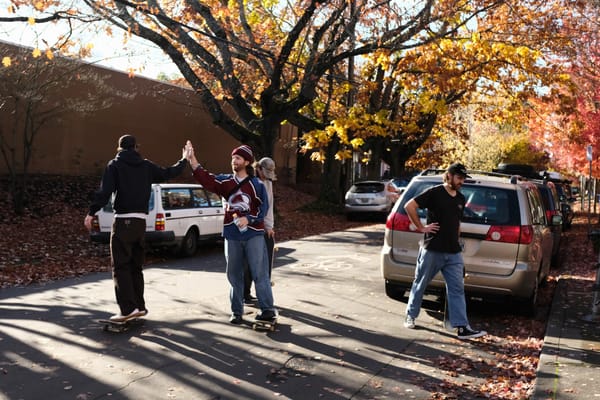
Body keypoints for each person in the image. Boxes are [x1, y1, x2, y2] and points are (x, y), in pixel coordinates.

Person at [83, 135, 189, 322]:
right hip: (141, 223)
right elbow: (167, 173)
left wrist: (92, 212)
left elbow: (105, 192)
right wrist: (184, 160)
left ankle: (127, 309)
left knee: (121, 266)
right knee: (135, 266)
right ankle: (139, 306)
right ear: (135, 147)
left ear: (119, 148)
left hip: (123, 221)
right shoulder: (146, 165)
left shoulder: (114, 165)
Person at [185, 141, 277, 324]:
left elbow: (263, 208)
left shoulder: (256, 185)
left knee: (259, 273)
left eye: (238, 158)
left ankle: (267, 310)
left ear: (247, 162)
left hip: (253, 235)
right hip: (232, 235)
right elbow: (207, 179)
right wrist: (193, 161)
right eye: (233, 158)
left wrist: (249, 218)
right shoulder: (226, 182)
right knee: (234, 274)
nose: (234, 161)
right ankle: (236, 312)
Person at [403, 163, 487, 340]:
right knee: (420, 283)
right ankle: (410, 315)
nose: (461, 181)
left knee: (457, 289)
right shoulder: (434, 193)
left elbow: (456, 223)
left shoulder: (461, 198)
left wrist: (457, 242)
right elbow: (410, 206)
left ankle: (462, 327)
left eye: (463, 179)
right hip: (432, 248)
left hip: (453, 252)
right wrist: (421, 227)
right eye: (459, 178)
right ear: (449, 175)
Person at [244, 157, 277, 302]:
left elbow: (269, 206)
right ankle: (245, 293)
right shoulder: (249, 180)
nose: (266, 177)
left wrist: (269, 227)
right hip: (249, 226)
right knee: (248, 262)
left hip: (263, 227)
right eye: (264, 174)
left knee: (265, 260)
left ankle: (263, 293)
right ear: (258, 168)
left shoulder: (268, 183)